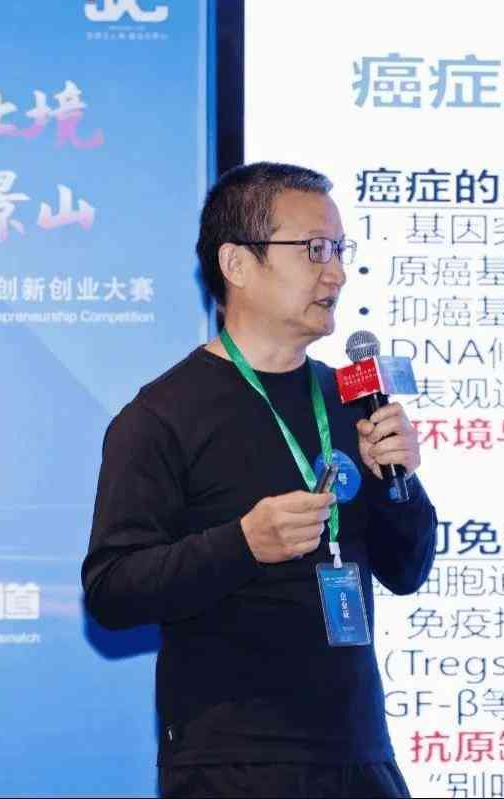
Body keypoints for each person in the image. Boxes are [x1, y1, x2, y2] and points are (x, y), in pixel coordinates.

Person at [82, 162, 437, 798]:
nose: (335, 272)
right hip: (233, 762)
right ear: (238, 264)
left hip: (359, 753)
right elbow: (112, 591)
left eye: (339, 249)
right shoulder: (161, 416)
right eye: (313, 249)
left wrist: (396, 480)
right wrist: (243, 544)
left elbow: (406, 570)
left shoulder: (351, 398)